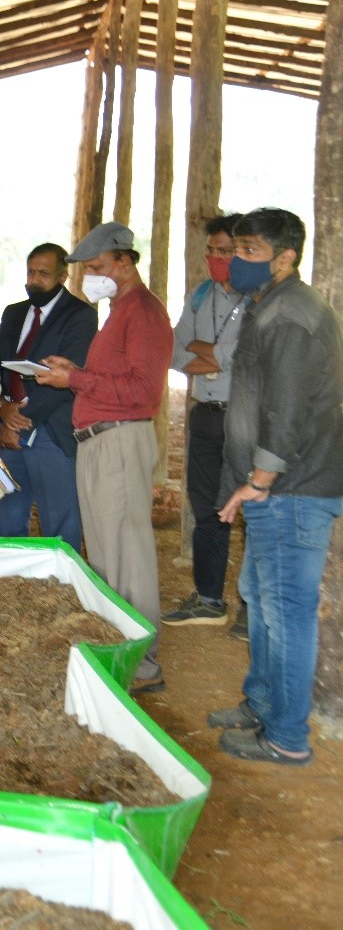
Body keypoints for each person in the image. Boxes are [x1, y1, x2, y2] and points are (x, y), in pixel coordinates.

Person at [210, 207, 343, 766]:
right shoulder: (269, 304)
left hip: (293, 488)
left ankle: (287, 737)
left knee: (285, 608)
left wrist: (260, 479)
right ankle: (262, 704)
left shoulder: (290, 314)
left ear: (285, 258)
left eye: (249, 251)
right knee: (262, 599)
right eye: (236, 248)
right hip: (276, 487)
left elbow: (286, 410)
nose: (236, 260)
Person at [37, 221, 172, 695]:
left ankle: (143, 662)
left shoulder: (144, 313)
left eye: (97, 267)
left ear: (125, 261)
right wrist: (75, 371)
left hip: (119, 440)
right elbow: (117, 379)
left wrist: (74, 380)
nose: (90, 277)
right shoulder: (121, 311)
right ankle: (122, 648)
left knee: (127, 554)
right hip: (100, 439)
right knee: (108, 552)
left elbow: (144, 390)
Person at [164, 214, 248, 634]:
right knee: (206, 506)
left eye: (225, 251)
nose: (216, 258)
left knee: (254, 510)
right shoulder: (199, 295)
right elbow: (174, 351)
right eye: (211, 250)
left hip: (245, 418)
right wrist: (214, 358)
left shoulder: (259, 300)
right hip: (205, 415)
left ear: (244, 253)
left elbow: (244, 356)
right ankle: (210, 598)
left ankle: (252, 608)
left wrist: (207, 354)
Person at [0, 243, 97, 553]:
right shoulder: (14, 313)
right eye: (30, 272)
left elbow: (66, 376)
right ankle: (9, 574)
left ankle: (63, 577)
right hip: (8, 428)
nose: (34, 280)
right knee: (9, 514)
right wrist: (2, 407)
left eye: (43, 274)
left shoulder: (80, 316)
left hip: (50, 430)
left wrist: (19, 420)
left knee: (59, 520)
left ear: (63, 277)